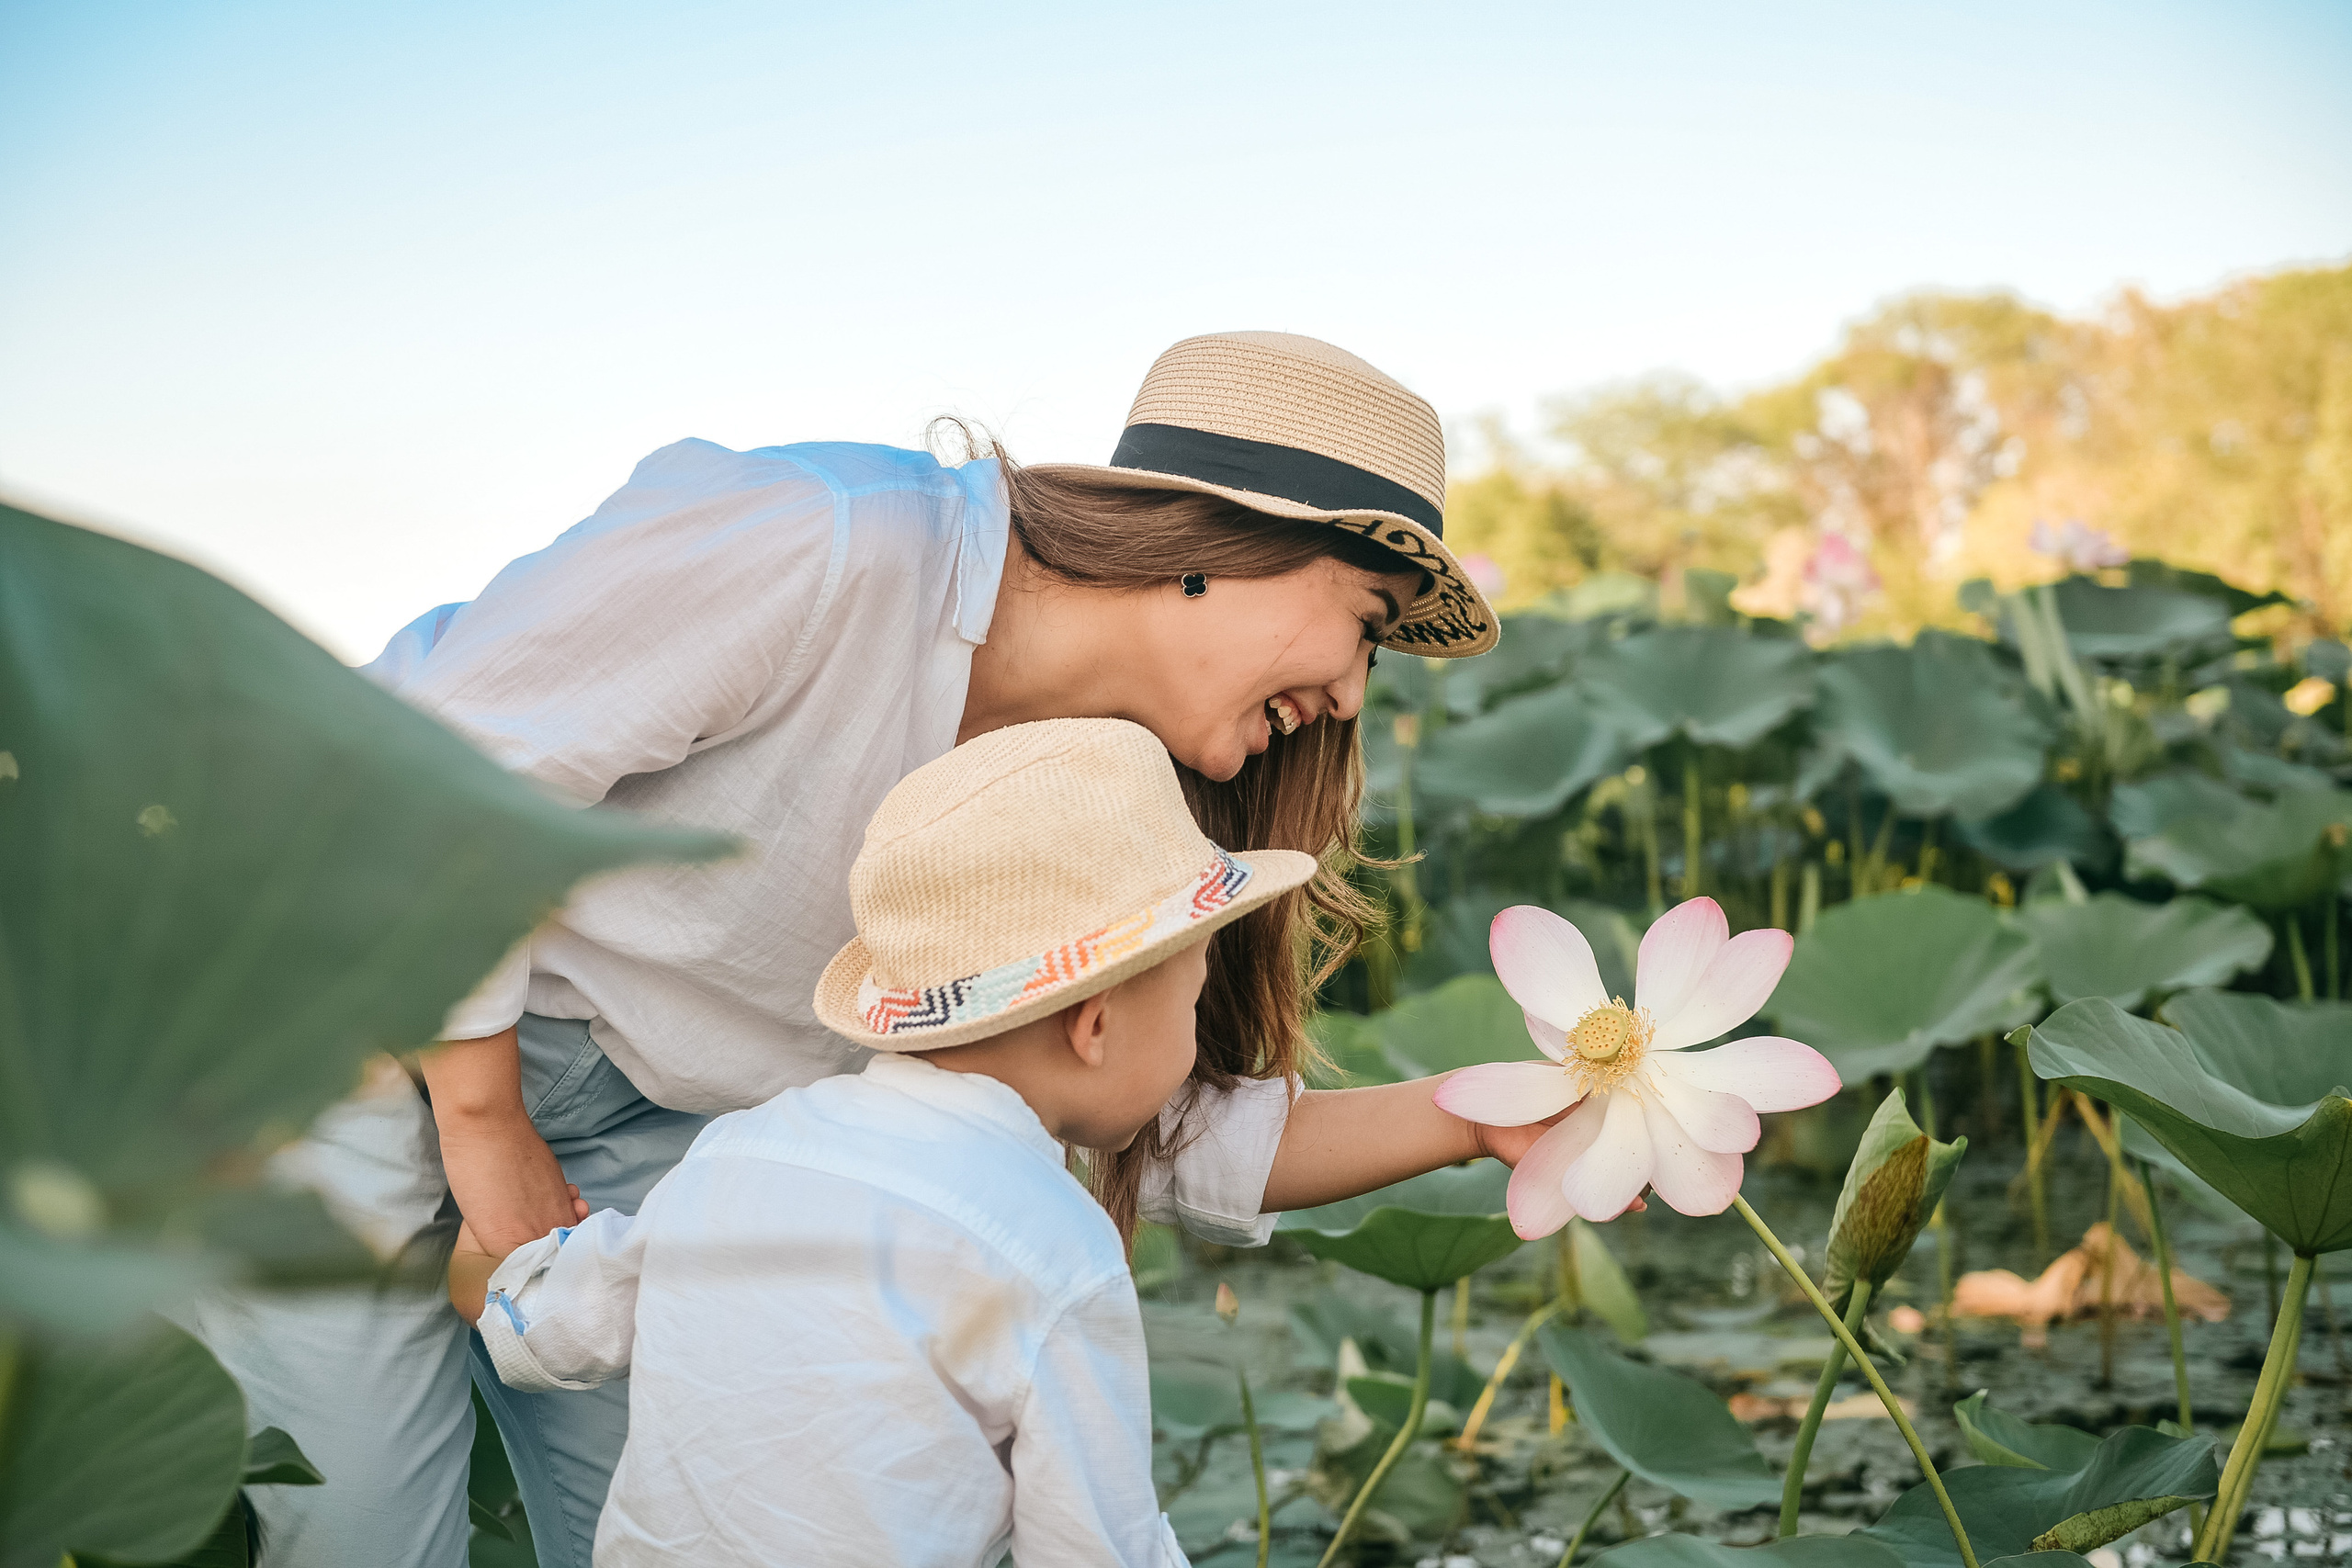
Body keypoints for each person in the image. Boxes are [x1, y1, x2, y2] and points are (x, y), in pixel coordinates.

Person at [187, 330, 1552, 1568]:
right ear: (1226, 539)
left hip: (674, 1118)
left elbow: (1144, 1110)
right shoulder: (826, 540)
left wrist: (1481, 1111)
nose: (1352, 696)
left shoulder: (1106, 786)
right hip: (352, 1006)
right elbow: (427, 780)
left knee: (672, 1525)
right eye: (1366, 623)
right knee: (359, 1529)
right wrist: (487, 1131)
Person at [450, 717, 1307, 1566]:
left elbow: (533, 1323)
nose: (1193, 1039)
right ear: (1095, 1023)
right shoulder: (1054, 1248)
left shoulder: (735, 1154)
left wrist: (483, 1255)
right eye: (1192, 1001)